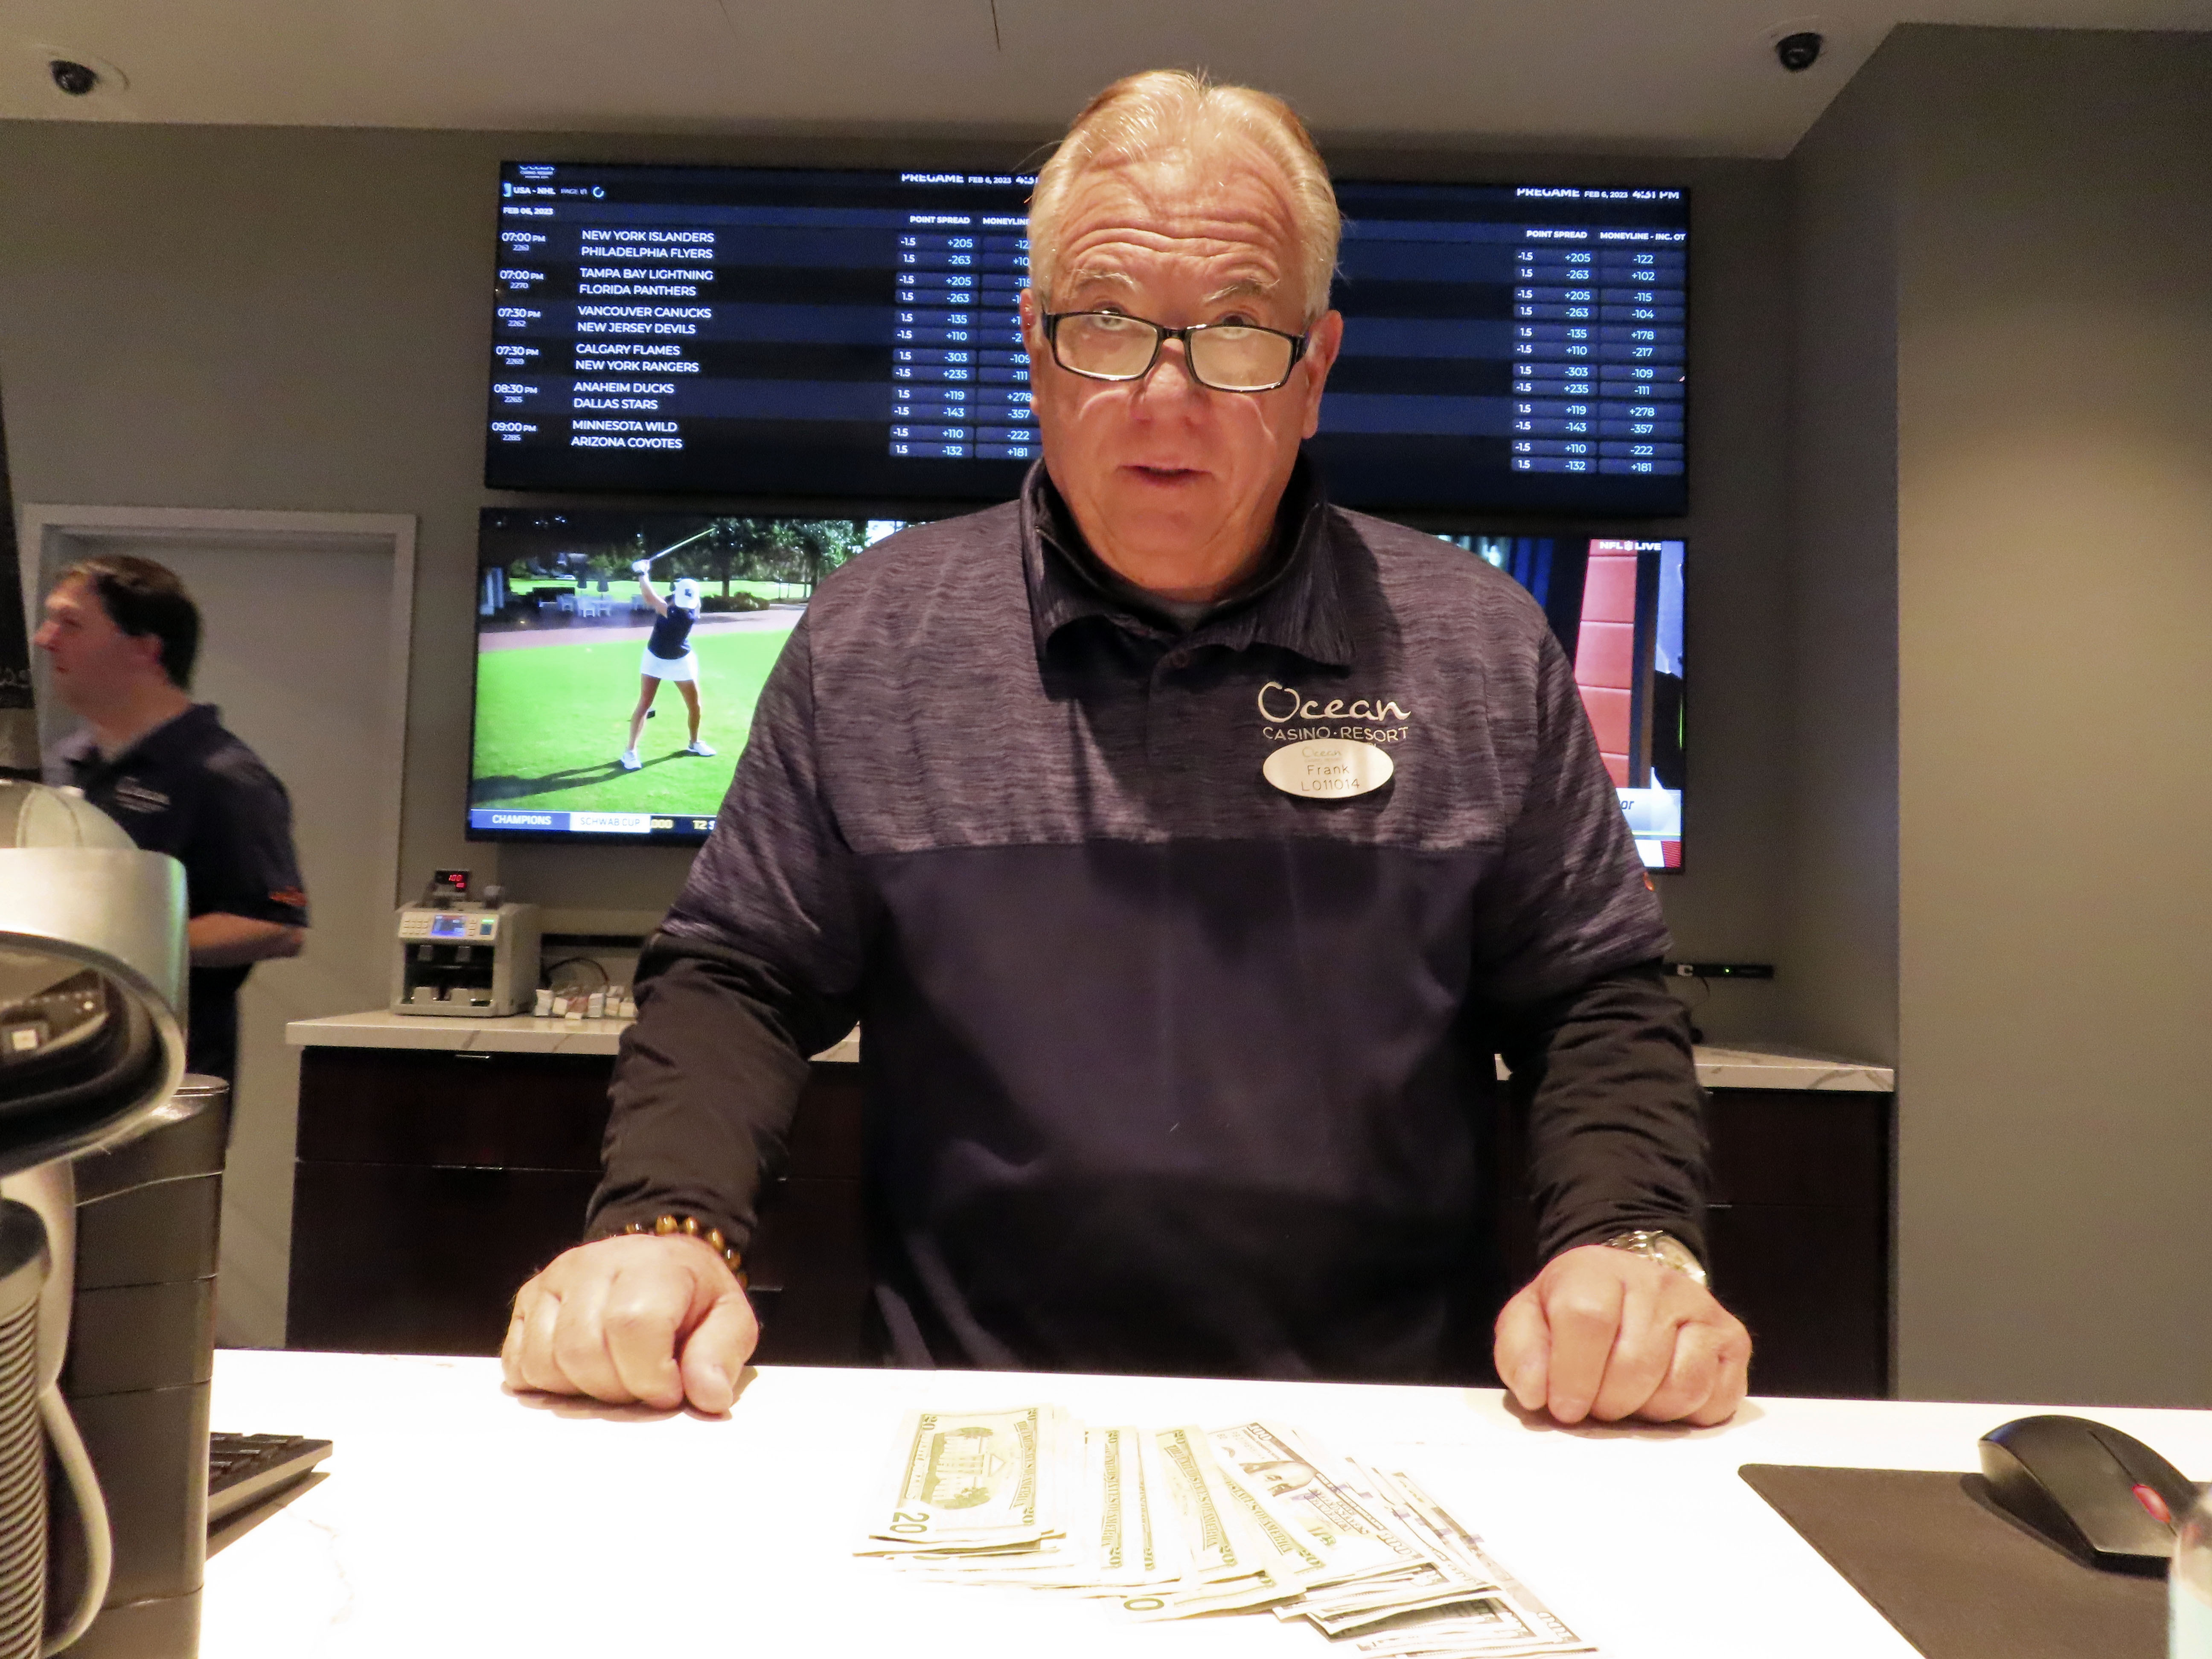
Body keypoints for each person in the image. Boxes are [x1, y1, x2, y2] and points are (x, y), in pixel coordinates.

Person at [506, 70, 1750, 1428]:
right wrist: (669, 1221)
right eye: (1106, 325)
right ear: (1034, 350)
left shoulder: (1479, 643)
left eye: (1237, 331)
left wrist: (1632, 1241)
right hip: (967, 1421)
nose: (1168, 395)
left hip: (1393, 1425)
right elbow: (741, 975)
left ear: (1316, 370)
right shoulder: (877, 638)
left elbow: (1594, 998)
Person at [35, 555, 308, 1082]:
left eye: (71, 624)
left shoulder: (222, 775)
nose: (45, 639)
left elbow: (277, 926)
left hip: (159, 1078)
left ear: (145, 648)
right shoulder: (63, 762)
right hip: (50, 1068)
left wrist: (113, 949)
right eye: (51, 621)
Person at [619, 568, 715, 771]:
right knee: (645, 704)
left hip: (680, 660)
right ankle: (630, 752)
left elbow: (650, 598)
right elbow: (658, 599)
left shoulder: (684, 615)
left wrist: (642, 574)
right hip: (655, 658)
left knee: (695, 705)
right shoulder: (687, 602)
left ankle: (694, 743)